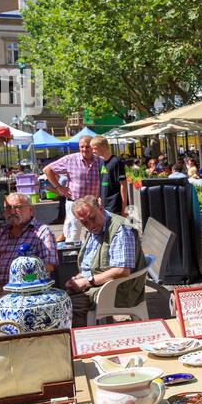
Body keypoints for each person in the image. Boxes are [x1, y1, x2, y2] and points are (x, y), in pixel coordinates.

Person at [64, 196, 146, 327]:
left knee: (64, 308)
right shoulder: (96, 227)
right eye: (84, 223)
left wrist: (86, 281)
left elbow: (122, 271)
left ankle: (83, 342)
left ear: (100, 208)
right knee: (58, 299)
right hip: (101, 285)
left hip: (119, 290)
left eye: (92, 218)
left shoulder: (121, 229)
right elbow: (94, 262)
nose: (90, 225)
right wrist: (79, 278)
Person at [0, 192, 58, 285]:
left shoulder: (42, 232)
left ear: (31, 210)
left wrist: (21, 283)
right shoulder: (1, 234)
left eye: (18, 207)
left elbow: (49, 266)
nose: (12, 212)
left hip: (25, 290)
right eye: (8, 208)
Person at [44, 135, 103, 242]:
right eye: (82, 147)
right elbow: (47, 170)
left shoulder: (100, 161)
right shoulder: (70, 159)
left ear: (92, 147)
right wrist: (59, 187)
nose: (84, 149)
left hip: (93, 204)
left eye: (87, 146)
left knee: (97, 231)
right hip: (74, 203)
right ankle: (72, 256)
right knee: (73, 233)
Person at [92, 136, 128, 217]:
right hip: (104, 204)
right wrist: (99, 198)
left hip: (115, 205)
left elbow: (123, 185)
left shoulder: (117, 161)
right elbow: (101, 182)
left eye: (95, 148)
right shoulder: (101, 162)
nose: (93, 151)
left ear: (104, 147)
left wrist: (124, 208)